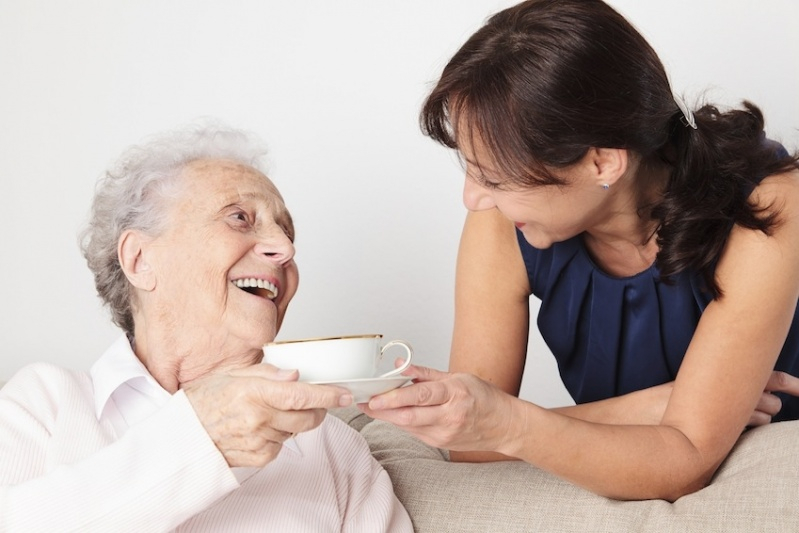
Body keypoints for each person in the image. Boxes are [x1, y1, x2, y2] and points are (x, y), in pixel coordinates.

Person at [361, 0, 799, 502]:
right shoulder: (503, 222)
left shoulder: (767, 204)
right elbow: (469, 442)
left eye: (495, 177)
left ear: (603, 163)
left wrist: (507, 423)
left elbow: (685, 459)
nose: (472, 198)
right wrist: (647, 409)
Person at [0, 123, 412, 531]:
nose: (285, 249)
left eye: (286, 232)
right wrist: (201, 440)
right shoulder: (43, 406)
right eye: (239, 218)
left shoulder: (334, 449)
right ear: (140, 259)